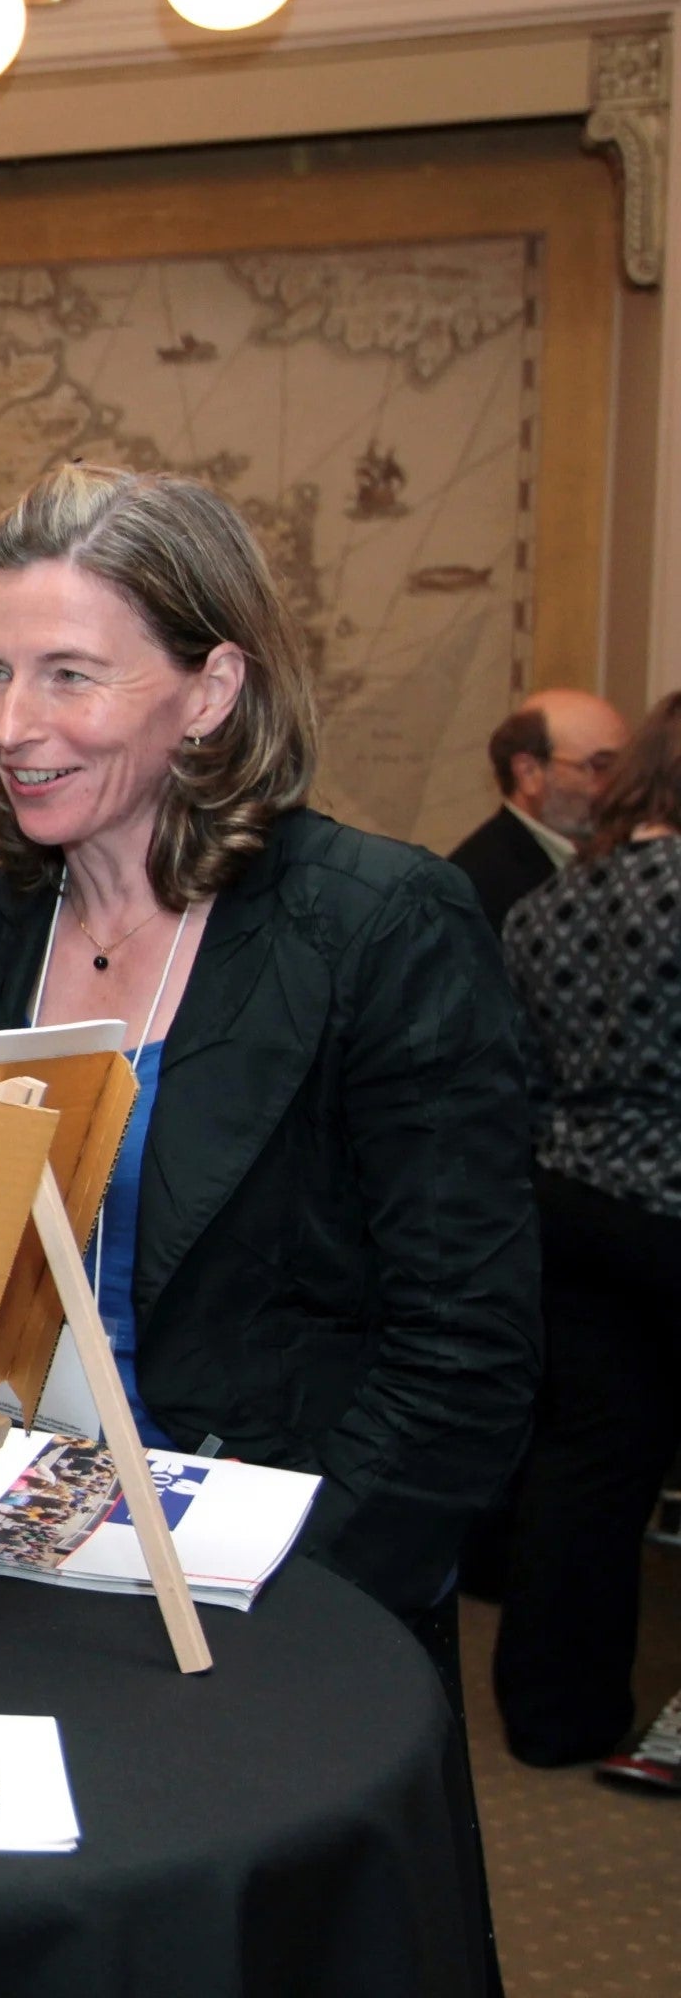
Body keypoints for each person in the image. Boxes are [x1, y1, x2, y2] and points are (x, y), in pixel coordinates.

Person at [0, 462, 539, 1634]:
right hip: (11, 1569)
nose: (8, 725)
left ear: (210, 692)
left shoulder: (379, 927)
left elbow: (464, 1350)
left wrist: (299, 1602)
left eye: (69, 676)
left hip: (292, 1590)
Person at [489, 691, 681, 1779]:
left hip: (573, 1206)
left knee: (586, 1465)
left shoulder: (552, 905)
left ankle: (557, 1715)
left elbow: (522, 1077)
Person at [447, 687, 630, 932]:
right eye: (601, 766)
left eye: (627, 766)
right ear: (529, 773)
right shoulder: (475, 884)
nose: (621, 784)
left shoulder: (617, 856)